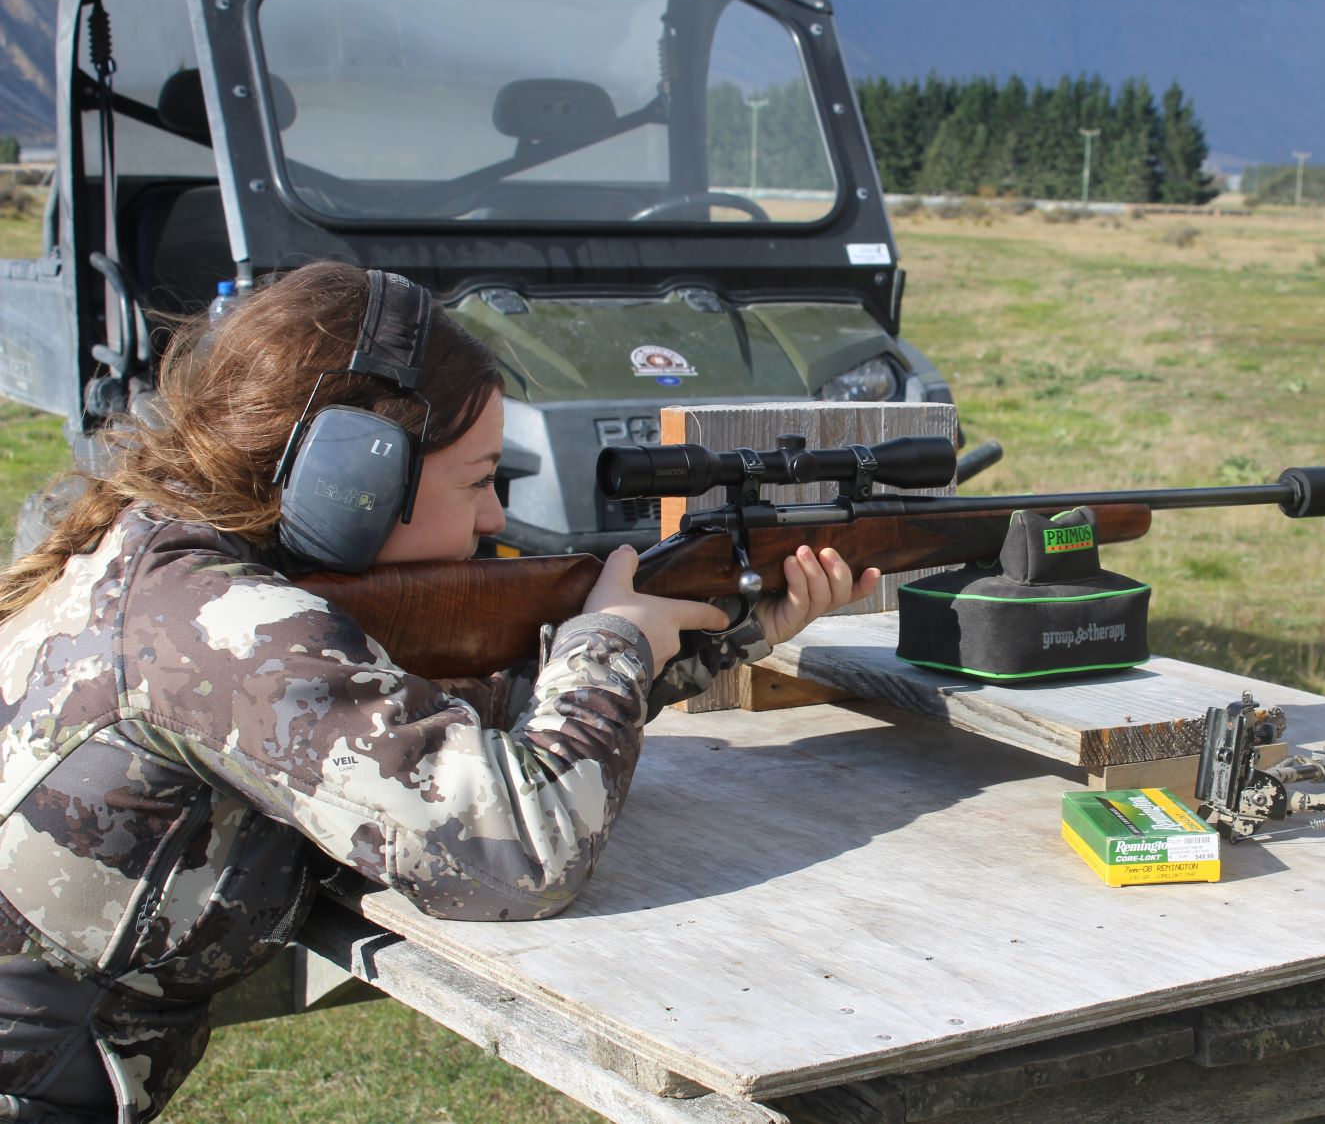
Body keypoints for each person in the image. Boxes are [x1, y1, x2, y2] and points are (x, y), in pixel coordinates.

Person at [0, 261, 880, 1123]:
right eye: (478, 479)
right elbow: (514, 850)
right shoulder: (221, 623)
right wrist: (609, 641)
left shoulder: (172, 554)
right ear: (351, 479)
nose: (496, 516)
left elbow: (462, 726)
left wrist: (724, 625)